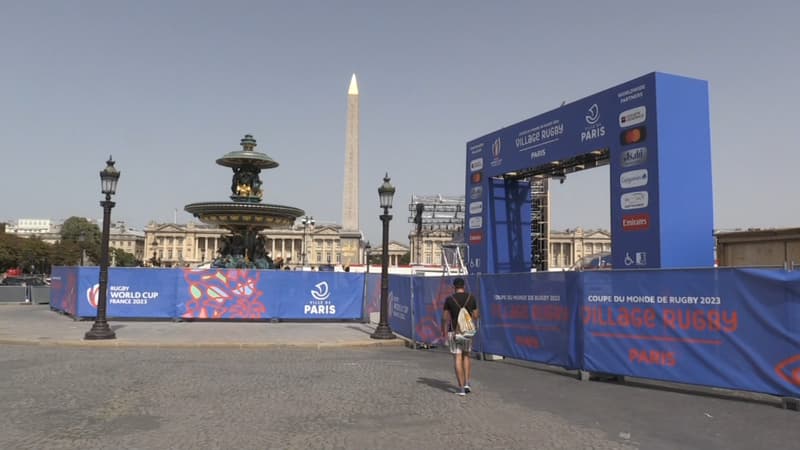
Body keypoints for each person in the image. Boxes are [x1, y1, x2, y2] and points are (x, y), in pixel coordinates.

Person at [441, 277, 479, 396]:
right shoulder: (471, 298)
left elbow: (445, 317)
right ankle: (467, 383)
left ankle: (461, 388)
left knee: (457, 357)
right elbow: (476, 315)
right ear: (464, 286)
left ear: (454, 287)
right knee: (466, 356)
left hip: (454, 332)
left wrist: (444, 330)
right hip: (466, 332)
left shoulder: (449, 299)